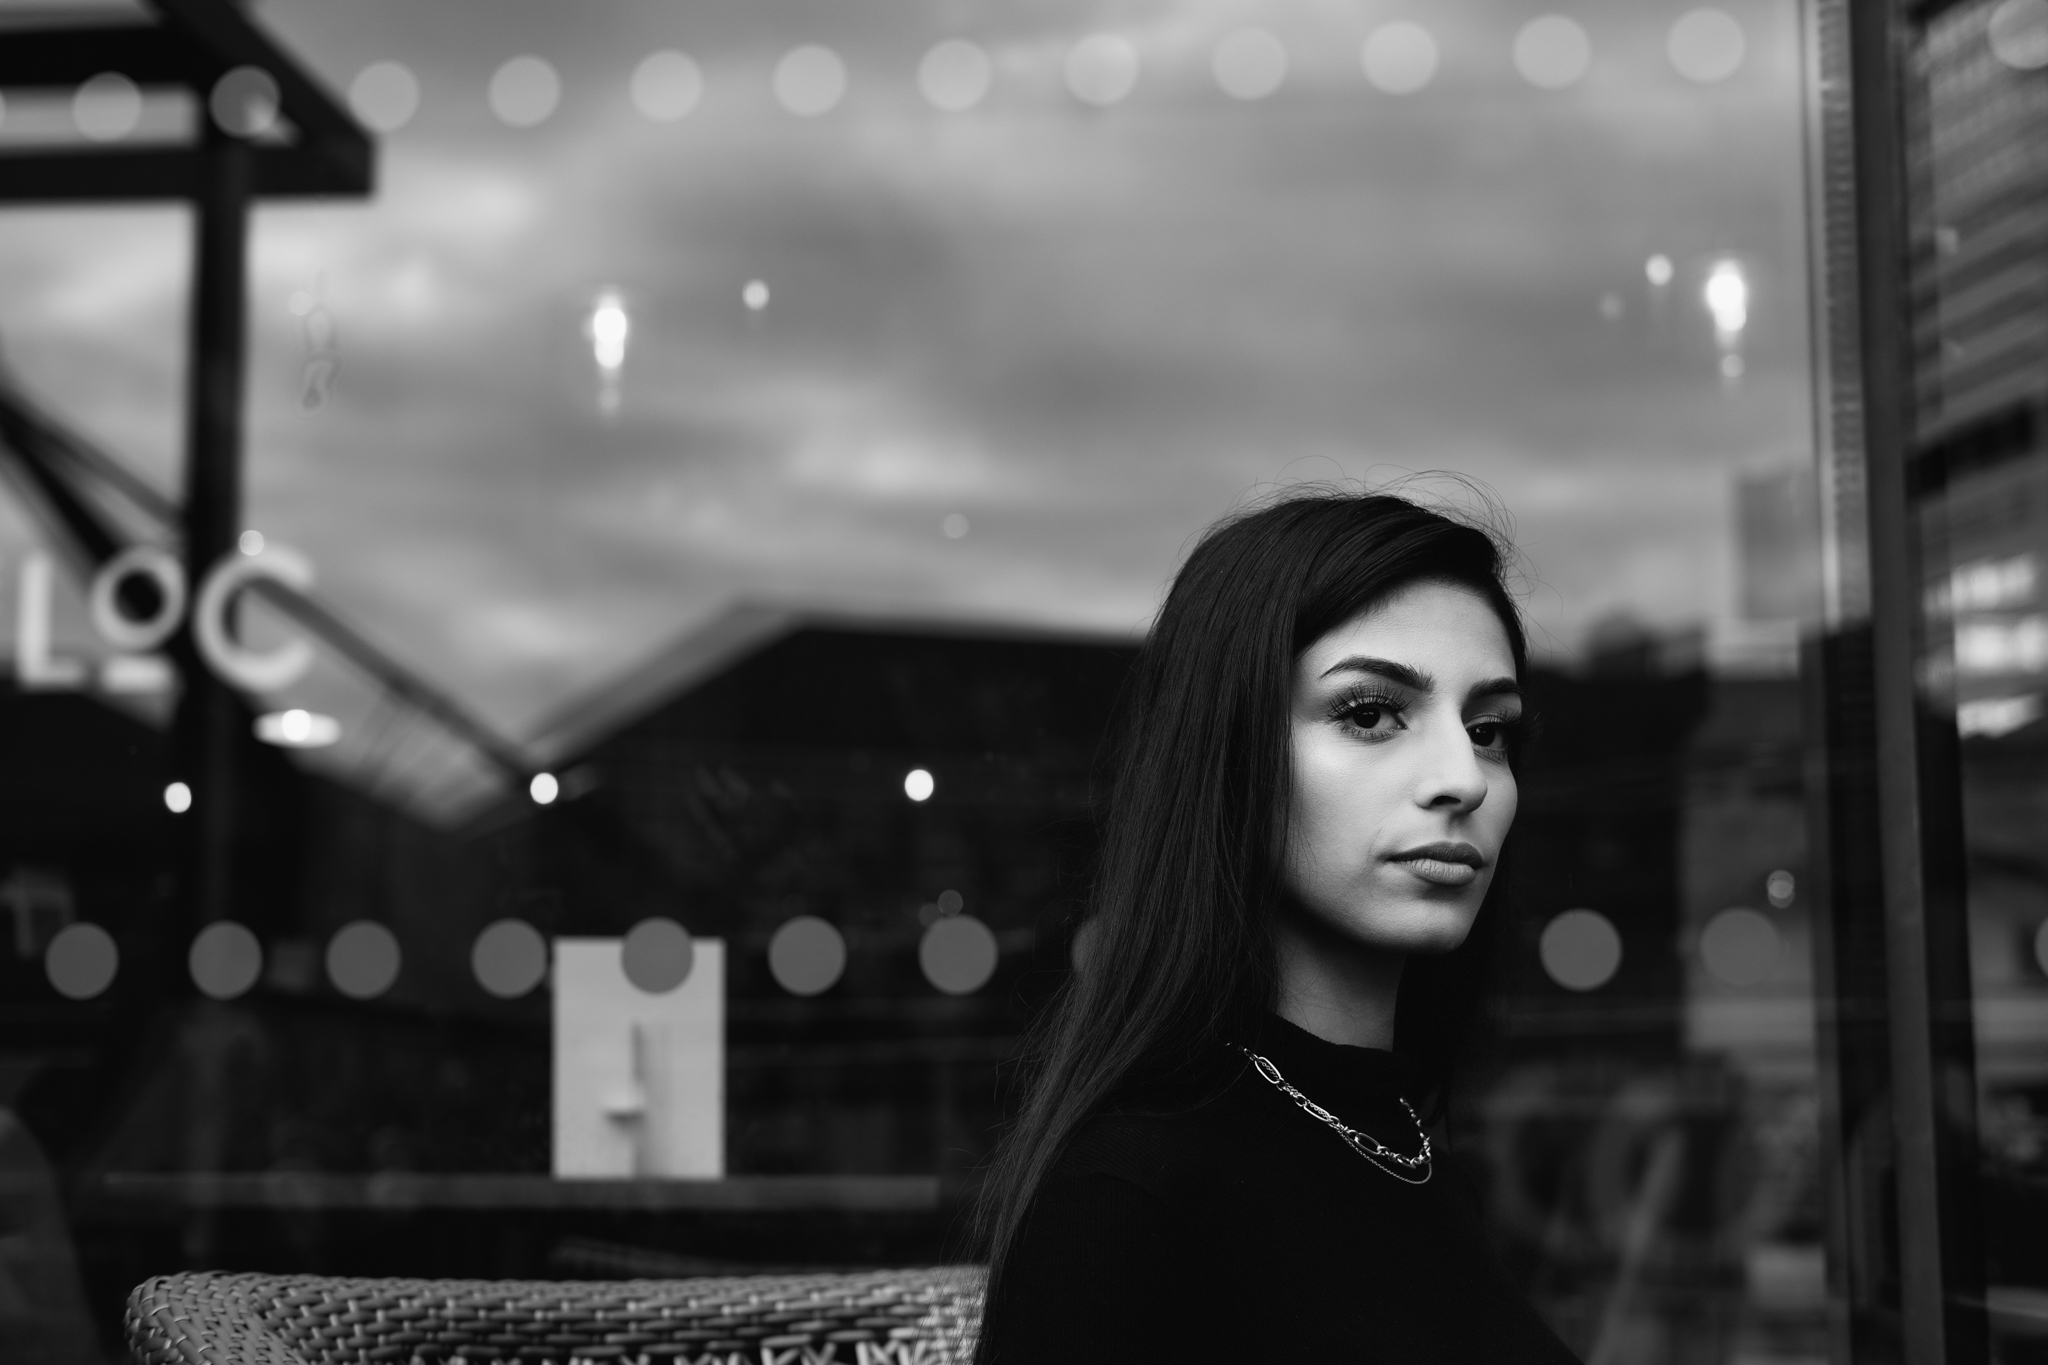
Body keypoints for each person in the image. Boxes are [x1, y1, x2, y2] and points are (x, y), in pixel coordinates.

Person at [973, 490, 1580, 1363]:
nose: (1466, 777)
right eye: (1370, 713)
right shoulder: (1131, 1195)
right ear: (1229, 753)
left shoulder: (1404, 1140)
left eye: (1488, 729)